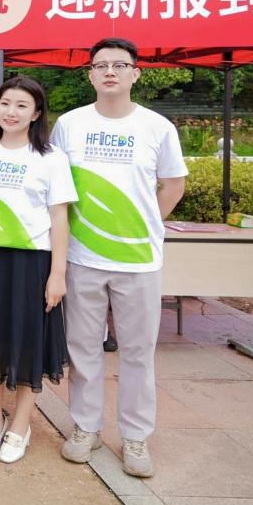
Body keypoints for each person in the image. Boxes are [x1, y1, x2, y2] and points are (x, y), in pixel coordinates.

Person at [52, 38, 186, 479]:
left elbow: (173, 185)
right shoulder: (69, 125)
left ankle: (135, 435)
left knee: (138, 352)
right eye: (101, 65)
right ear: (90, 75)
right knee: (82, 348)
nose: (110, 71)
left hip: (138, 260)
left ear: (136, 73)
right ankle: (85, 427)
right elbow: (57, 187)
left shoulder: (157, 127)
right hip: (82, 256)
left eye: (120, 65)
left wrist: (144, 224)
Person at [0, 76, 76, 464]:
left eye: (21, 105)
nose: (10, 112)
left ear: (36, 113)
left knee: (29, 343)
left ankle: (21, 424)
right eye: (5, 103)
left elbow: (59, 218)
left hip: (32, 263)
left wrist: (58, 274)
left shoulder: (50, 158)